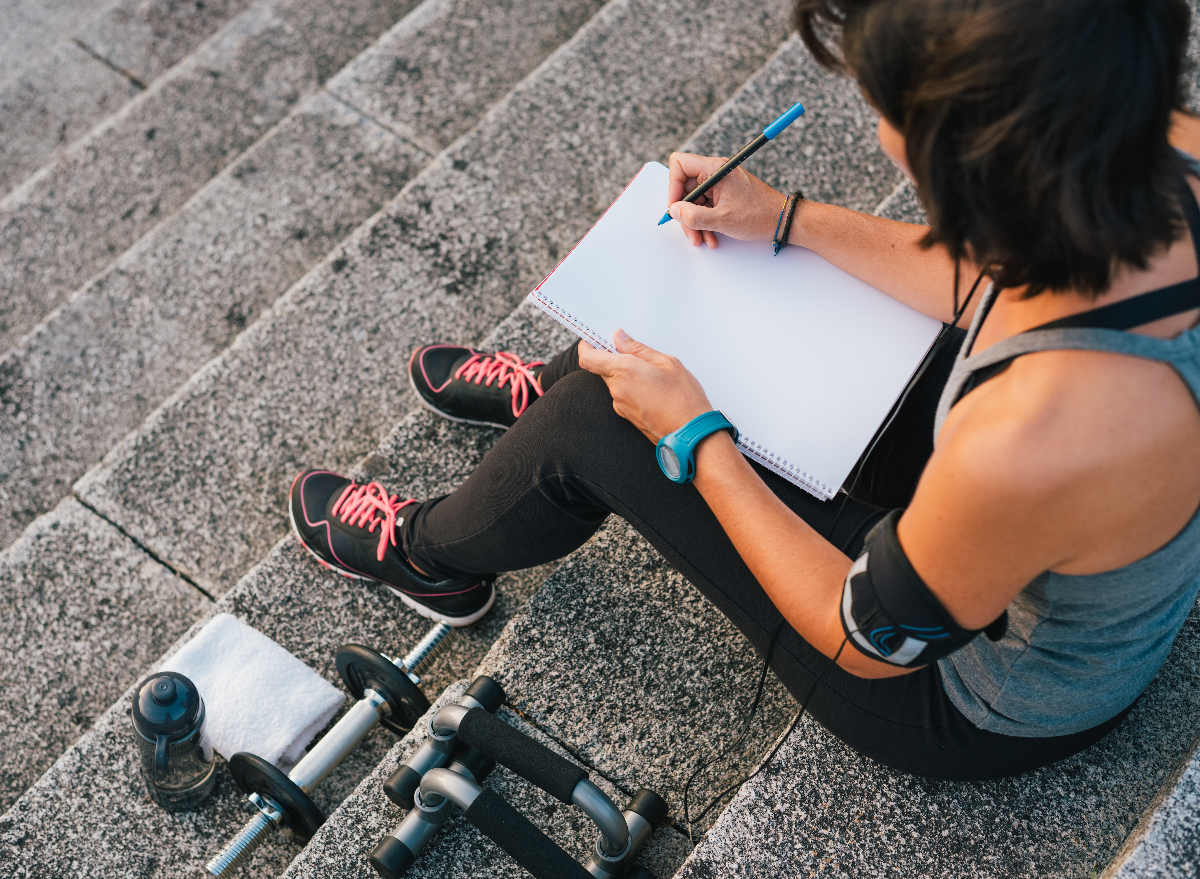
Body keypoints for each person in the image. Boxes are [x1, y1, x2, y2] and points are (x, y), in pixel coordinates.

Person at [288, 0, 1200, 780]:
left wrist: (698, 438)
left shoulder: (1037, 434)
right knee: (706, 326)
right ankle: (562, 411)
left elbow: (865, 640)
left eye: (885, 107)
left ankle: (433, 556)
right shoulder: (1159, 147)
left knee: (599, 420)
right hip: (1060, 540)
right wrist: (788, 221)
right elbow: (1005, 278)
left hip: (978, 695)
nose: (881, 130)